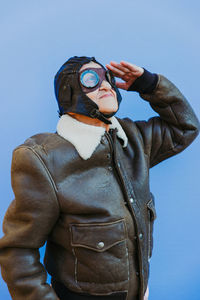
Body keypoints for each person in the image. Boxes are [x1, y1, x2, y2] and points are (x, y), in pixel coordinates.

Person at [0, 56, 199, 300]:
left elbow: (185, 128)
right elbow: (18, 250)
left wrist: (149, 84)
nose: (106, 85)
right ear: (69, 92)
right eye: (91, 80)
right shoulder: (44, 159)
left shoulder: (134, 139)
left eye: (108, 79)